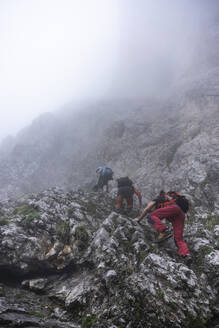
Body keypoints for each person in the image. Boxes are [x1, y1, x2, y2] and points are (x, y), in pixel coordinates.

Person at [135, 190, 192, 264]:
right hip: (181, 214)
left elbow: (147, 209)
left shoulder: (158, 198)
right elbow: (168, 218)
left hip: (174, 208)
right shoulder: (170, 201)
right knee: (178, 239)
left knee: (151, 216)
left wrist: (139, 219)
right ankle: (186, 255)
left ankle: (164, 231)